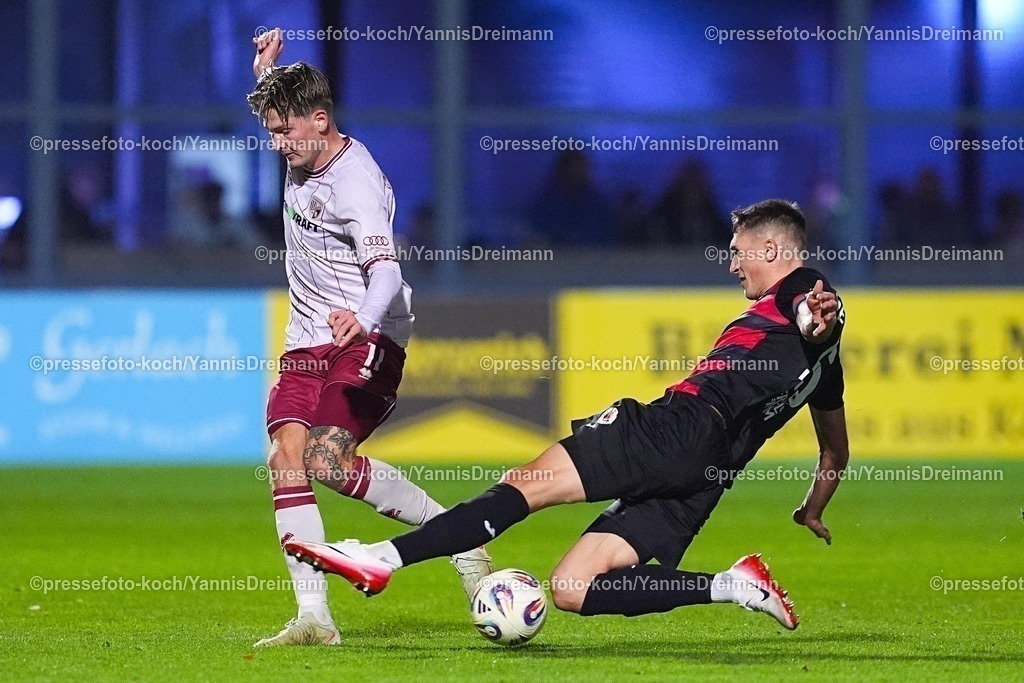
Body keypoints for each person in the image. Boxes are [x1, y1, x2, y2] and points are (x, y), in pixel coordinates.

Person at [284, 199, 848, 631]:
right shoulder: (825, 367)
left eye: (738, 250)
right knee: (573, 587)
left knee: (525, 485)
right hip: (712, 472)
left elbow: (814, 310)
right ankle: (736, 586)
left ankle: (382, 558)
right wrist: (811, 508)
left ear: (772, 250)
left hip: (678, 428)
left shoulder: (801, 292)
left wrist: (822, 312)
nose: (733, 264)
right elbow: (834, 451)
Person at [247, 28, 491, 647]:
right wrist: (265, 72)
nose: (278, 146)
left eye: (284, 132)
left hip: (370, 332)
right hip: (307, 337)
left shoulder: (356, 183)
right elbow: (286, 112)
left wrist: (362, 316)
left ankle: (458, 539)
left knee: (328, 461)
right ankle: (313, 618)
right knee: (285, 461)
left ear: (320, 121)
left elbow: (386, 269)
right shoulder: (303, 144)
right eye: (272, 132)